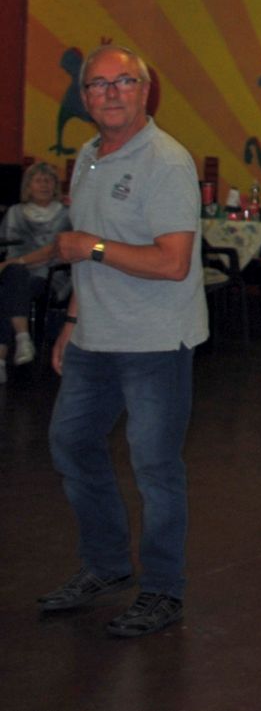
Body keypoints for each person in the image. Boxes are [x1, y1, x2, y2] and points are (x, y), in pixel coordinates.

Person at [37, 44, 206, 639]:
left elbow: (173, 263)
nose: (110, 94)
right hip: (95, 337)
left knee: (154, 466)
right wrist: (73, 320)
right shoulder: (87, 156)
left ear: (145, 89)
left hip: (156, 341)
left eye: (123, 82)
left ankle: (162, 589)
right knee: (72, 443)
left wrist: (94, 249)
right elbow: (90, 245)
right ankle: (107, 566)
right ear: (84, 97)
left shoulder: (166, 161)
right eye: (98, 85)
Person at [1, 162, 71, 369]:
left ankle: (5, 356)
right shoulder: (14, 212)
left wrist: (17, 262)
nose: (44, 185)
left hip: (49, 274)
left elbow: (58, 249)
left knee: (9, 285)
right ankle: (22, 339)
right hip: (15, 274)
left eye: (49, 181)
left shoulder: (67, 214)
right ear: (28, 186)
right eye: (38, 181)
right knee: (13, 280)